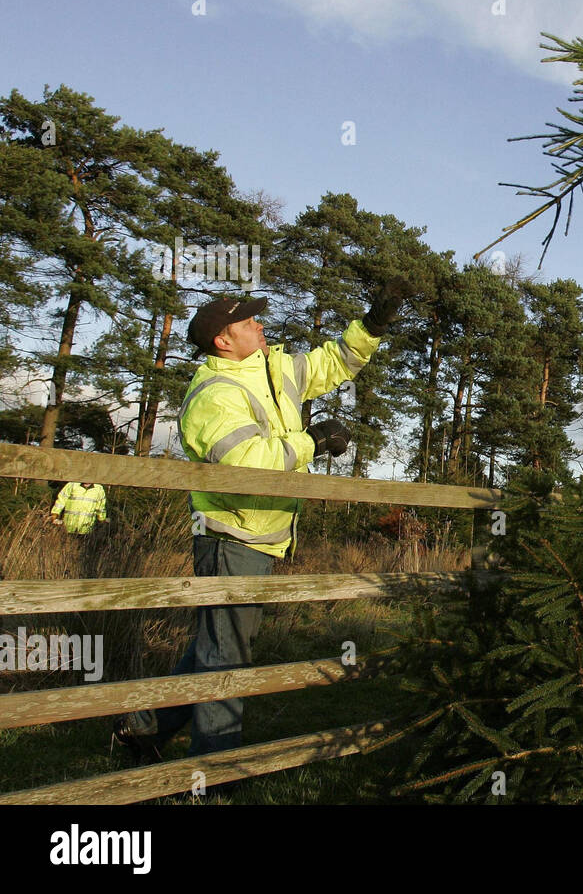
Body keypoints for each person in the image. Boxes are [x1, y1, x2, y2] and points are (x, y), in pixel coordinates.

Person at [113, 283, 405, 763]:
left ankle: (140, 727)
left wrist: (372, 327)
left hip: (261, 538)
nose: (261, 325)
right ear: (223, 341)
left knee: (222, 643)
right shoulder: (213, 395)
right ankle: (213, 773)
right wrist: (311, 441)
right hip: (230, 537)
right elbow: (249, 463)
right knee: (225, 657)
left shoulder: (272, 369)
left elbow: (332, 363)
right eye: (249, 322)